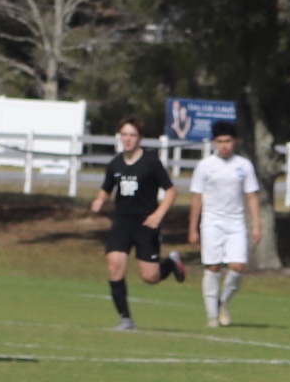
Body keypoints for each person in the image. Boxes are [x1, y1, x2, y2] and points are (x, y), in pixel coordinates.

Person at [89, 116, 185, 331]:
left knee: (150, 277)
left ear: (140, 138)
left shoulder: (151, 162)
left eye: (132, 135)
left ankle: (171, 263)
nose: (128, 139)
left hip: (146, 225)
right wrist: (99, 200)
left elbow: (171, 191)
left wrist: (159, 214)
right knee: (114, 265)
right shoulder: (115, 164)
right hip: (122, 223)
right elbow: (107, 188)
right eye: (124, 135)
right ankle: (126, 319)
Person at [188, 120, 262, 327]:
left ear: (235, 141)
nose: (224, 145)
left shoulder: (244, 166)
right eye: (220, 141)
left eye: (228, 141)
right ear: (214, 142)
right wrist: (193, 228)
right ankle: (212, 316)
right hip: (211, 222)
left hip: (236, 222)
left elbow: (252, 196)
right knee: (212, 266)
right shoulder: (205, 166)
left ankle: (223, 302)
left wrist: (257, 225)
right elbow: (196, 198)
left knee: (237, 266)